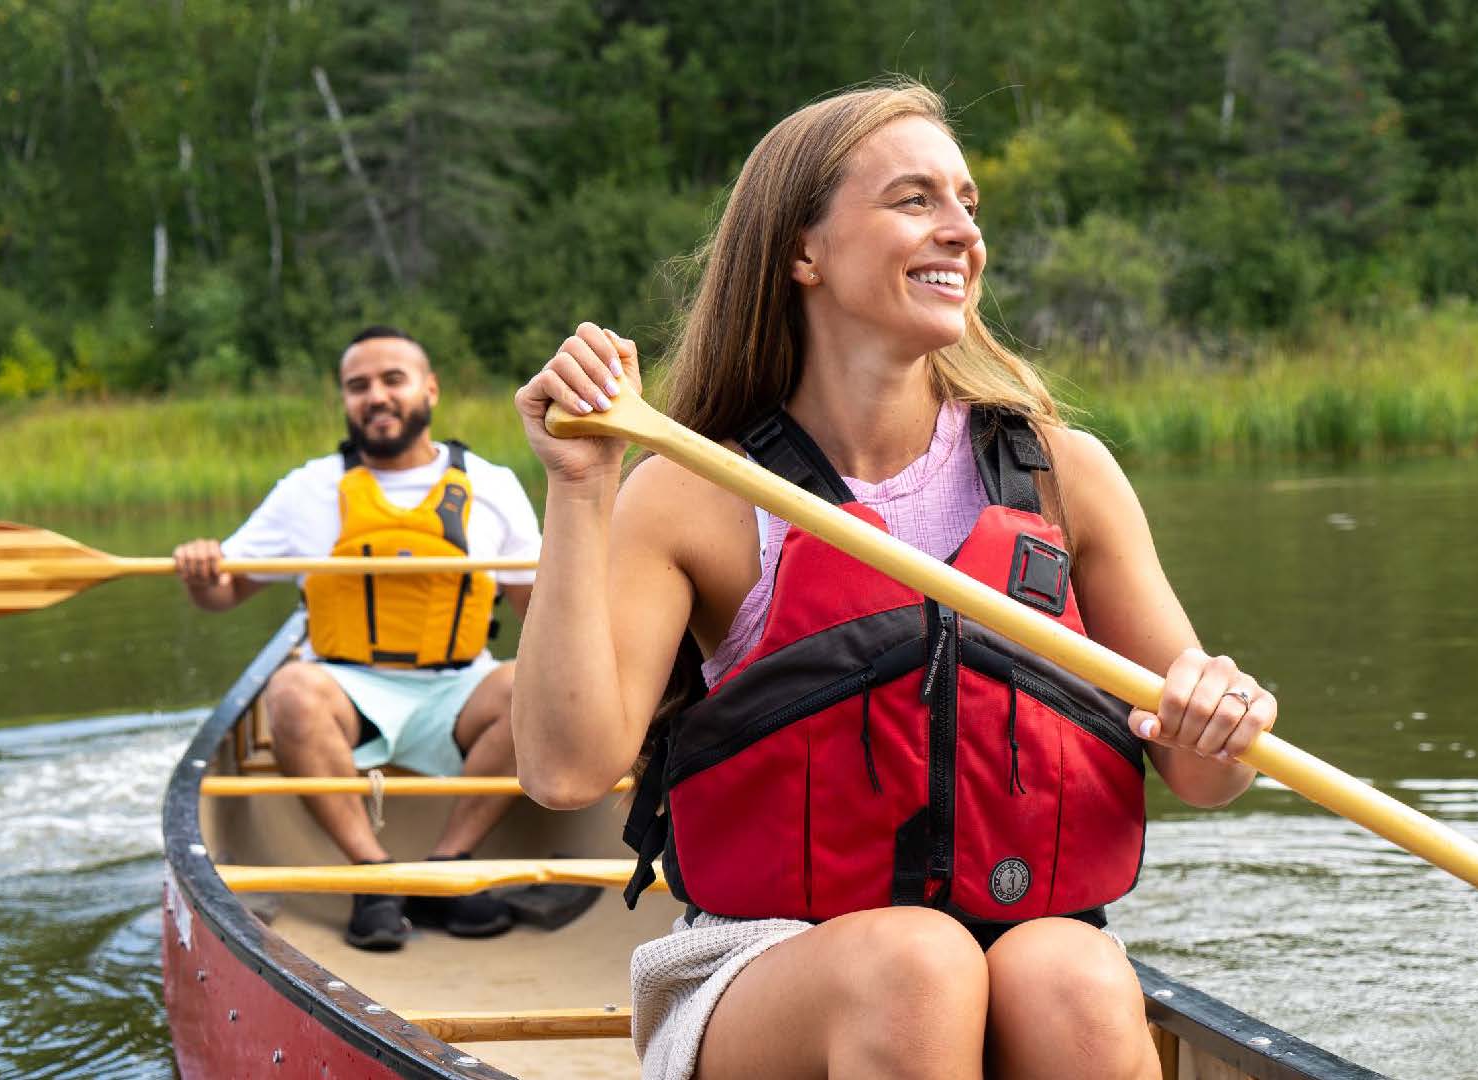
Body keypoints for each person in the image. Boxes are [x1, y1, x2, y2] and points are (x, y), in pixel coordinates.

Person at [510, 83, 1280, 1080]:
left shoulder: (1063, 473)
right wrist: (578, 489)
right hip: (765, 966)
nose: (962, 231)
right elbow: (566, 772)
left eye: (969, 204)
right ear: (804, 252)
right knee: (919, 963)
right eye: (916, 201)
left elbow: (1204, 775)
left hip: (1022, 946)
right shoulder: (690, 493)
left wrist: (1223, 722)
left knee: (1075, 975)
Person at [176, 325, 541, 952]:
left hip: (456, 689)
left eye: (392, 379)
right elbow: (222, 594)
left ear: (429, 388)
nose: (376, 396)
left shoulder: (493, 485)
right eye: (358, 386)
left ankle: (447, 868)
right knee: (289, 688)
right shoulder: (306, 490)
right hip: (348, 694)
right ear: (345, 400)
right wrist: (203, 569)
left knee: (534, 686)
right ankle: (373, 877)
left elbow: (542, 619)